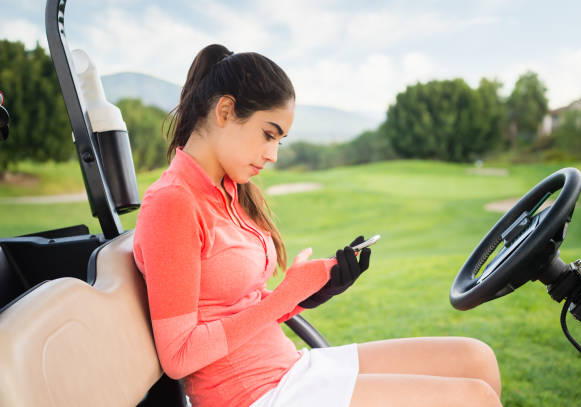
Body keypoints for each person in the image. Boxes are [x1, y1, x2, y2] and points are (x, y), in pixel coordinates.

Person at [133, 44, 502, 407]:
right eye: (268, 134)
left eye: (279, 140)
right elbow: (179, 354)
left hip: (288, 369)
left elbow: (236, 307)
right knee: (475, 398)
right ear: (226, 111)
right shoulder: (173, 202)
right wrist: (284, 296)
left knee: (476, 358)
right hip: (256, 394)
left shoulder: (228, 192)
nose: (273, 154)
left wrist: (311, 293)